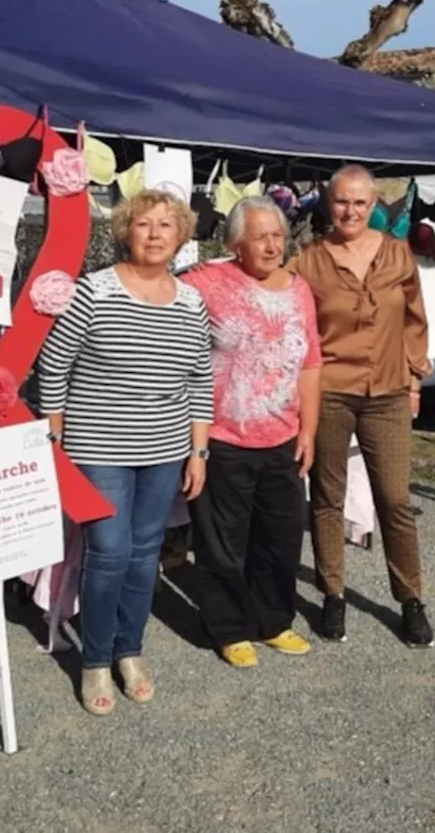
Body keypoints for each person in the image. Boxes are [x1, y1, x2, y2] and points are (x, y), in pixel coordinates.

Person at [37, 188, 214, 716]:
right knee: (109, 551)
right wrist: (54, 441)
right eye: (144, 224)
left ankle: (128, 651)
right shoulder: (93, 292)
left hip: (164, 450)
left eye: (166, 225)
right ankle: (94, 659)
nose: (156, 233)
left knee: (144, 555)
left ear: (182, 236)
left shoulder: (192, 302)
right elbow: (54, 368)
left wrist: (198, 451)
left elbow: (200, 380)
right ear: (125, 232)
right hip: (99, 448)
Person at [291, 164, 435, 648]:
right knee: (327, 499)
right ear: (328, 205)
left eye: (360, 202)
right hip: (330, 390)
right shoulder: (309, 261)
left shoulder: (397, 254)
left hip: (389, 392)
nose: (350, 210)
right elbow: (280, 310)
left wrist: (414, 377)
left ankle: (410, 599)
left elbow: (415, 320)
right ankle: (332, 595)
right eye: (341, 201)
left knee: (394, 499)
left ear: (373, 205)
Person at [184, 196, 322, 668]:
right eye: (260, 236)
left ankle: (272, 621)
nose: (271, 245)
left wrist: (309, 429)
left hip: (282, 436)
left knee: (280, 536)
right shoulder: (205, 282)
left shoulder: (299, 289)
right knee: (224, 540)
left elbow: (310, 362)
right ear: (234, 243)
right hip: (224, 437)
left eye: (278, 236)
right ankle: (229, 627)